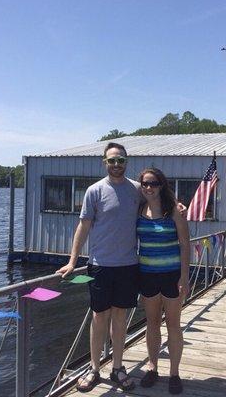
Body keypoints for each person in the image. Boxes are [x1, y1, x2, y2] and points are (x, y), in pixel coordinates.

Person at [56, 142, 140, 392]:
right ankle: (94, 368)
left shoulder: (136, 189)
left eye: (121, 160)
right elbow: (83, 226)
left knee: (120, 317)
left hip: (128, 265)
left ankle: (117, 367)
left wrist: (178, 207)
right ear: (104, 162)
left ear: (127, 162)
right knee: (98, 317)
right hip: (100, 265)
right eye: (112, 160)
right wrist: (73, 261)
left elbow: (159, 200)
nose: (117, 165)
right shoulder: (94, 190)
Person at [136, 168, 190, 395]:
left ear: (162, 185)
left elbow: (185, 245)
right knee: (152, 324)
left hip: (171, 276)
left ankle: (174, 373)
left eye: (154, 183)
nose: (149, 187)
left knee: (173, 325)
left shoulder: (174, 211)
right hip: (147, 275)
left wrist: (184, 277)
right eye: (145, 183)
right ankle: (152, 367)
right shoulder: (138, 209)